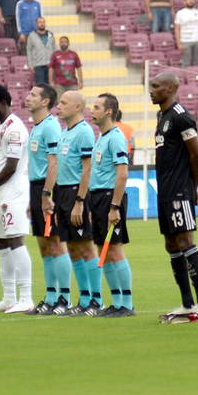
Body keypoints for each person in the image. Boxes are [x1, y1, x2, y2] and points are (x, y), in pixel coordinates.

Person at [150, 71, 198, 322]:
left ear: (171, 88)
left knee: (185, 241)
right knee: (171, 244)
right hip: (164, 189)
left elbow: (196, 155)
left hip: (180, 190)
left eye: (156, 86)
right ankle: (187, 302)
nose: (151, 90)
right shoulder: (161, 115)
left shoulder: (181, 117)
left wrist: (192, 186)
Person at [0, 85, 34, 314]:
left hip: (14, 194)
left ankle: (26, 297)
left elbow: (11, 167)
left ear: (3, 104)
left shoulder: (15, 129)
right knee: (1, 242)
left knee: (15, 241)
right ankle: (9, 297)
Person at [50, 90, 98, 314]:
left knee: (86, 246)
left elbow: (87, 168)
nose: (58, 106)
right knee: (72, 247)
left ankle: (96, 299)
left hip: (77, 194)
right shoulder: (64, 133)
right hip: (63, 193)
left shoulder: (84, 132)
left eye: (64, 102)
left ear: (78, 107)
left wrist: (80, 200)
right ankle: (84, 298)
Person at [88, 92, 133, 316]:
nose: (91, 111)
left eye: (96, 107)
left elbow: (122, 174)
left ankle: (127, 303)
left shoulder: (116, 137)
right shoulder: (101, 138)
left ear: (108, 111)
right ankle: (116, 302)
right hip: (97, 199)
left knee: (115, 251)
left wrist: (114, 207)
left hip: (109, 199)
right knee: (103, 251)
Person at [24, 83, 68, 315]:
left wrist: (46, 194)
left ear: (45, 102)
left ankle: (64, 298)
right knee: (43, 244)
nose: (27, 97)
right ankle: (51, 296)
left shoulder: (51, 127)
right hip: (36, 187)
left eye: (33, 94)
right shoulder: (37, 127)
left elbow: (54, 163)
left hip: (48, 188)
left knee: (56, 243)